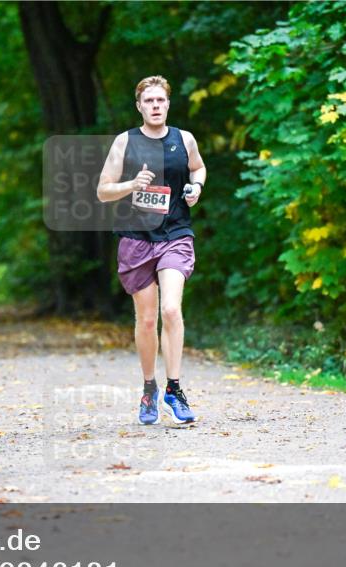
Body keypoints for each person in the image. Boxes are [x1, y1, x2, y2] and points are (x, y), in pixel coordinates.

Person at [97, 75, 206, 426]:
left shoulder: (184, 139)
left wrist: (196, 188)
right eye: (149, 101)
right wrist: (131, 184)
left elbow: (198, 168)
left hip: (175, 233)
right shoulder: (125, 142)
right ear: (139, 106)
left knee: (171, 309)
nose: (155, 106)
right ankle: (149, 389)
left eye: (161, 100)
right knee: (146, 319)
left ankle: (174, 388)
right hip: (137, 238)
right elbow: (103, 191)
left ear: (168, 104)